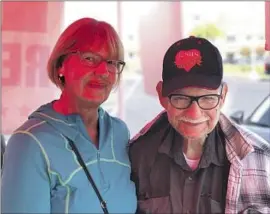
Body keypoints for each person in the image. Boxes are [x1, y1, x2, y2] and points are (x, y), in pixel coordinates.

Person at [1, 17, 137, 213]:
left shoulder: (119, 132)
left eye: (111, 62)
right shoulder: (29, 143)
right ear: (61, 66)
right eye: (89, 58)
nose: (103, 71)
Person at [129, 36, 270, 214]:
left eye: (208, 98)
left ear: (223, 96)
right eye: (181, 98)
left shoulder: (260, 160)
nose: (194, 114)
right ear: (162, 96)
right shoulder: (137, 155)